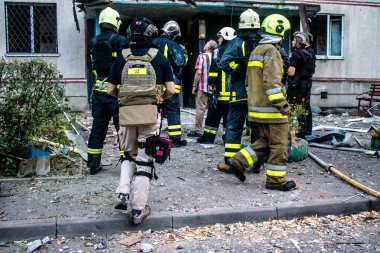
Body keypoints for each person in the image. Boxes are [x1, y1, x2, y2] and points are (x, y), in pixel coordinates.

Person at [107, 17, 175, 225]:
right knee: (145, 160)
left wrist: (125, 98)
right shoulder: (159, 59)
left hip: (126, 115)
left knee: (128, 155)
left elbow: (110, 89)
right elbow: (171, 90)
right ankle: (137, 210)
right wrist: (159, 99)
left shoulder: (121, 58)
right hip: (149, 115)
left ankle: (122, 194)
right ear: (152, 34)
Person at [217, 14, 296, 192]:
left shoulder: (256, 51)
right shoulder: (272, 52)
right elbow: (272, 83)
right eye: (284, 33)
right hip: (272, 110)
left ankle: (237, 162)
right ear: (279, 32)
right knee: (279, 145)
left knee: (264, 142)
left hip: (256, 108)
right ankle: (276, 181)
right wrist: (283, 105)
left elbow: (247, 81)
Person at [86, 7, 129, 175]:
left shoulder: (92, 42)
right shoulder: (121, 40)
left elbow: (90, 66)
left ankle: (93, 164)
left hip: (98, 91)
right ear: (116, 21)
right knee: (123, 129)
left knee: (98, 128)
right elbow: (126, 65)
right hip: (117, 92)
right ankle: (126, 164)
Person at [218, 9, 261, 162]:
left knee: (234, 127)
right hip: (258, 95)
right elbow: (282, 62)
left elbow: (223, 63)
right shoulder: (265, 42)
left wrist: (240, 69)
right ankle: (256, 163)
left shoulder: (236, 42)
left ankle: (231, 161)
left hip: (239, 93)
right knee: (257, 128)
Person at [197, 27, 236, 144]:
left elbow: (214, 70)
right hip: (232, 94)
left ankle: (208, 138)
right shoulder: (236, 50)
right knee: (229, 119)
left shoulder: (218, 51)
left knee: (213, 117)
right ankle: (228, 139)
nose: (218, 40)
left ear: (224, 37)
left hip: (219, 93)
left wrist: (211, 83)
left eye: (219, 37)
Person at [153, 21, 188, 147]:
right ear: (173, 34)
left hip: (155, 85)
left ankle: (151, 135)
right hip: (170, 85)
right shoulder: (173, 45)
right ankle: (175, 138)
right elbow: (181, 62)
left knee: (155, 108)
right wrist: (184, 52)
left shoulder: (153, 43)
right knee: (172, 109)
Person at [287, 31, 316, 138]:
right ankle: (307, 131)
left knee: (293, 106)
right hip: (307, 83)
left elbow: (291, 72)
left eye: (294, 40)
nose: (292, 41)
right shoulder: (310, 53)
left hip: (297, 85)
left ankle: (298, 131)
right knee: (306, 106)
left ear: (298, 42)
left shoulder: (296, 54)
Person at [188, 40, 218, 138]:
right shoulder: (217, 57)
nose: (204, 45)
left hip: (203, 87)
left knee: (200, 109)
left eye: (206, 44)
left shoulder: (201, 57)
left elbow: (198, 73)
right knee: (213, 110)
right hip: (214, 88)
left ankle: (198, 130)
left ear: (208, 48)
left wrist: (194, 85)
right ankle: (211, 130)